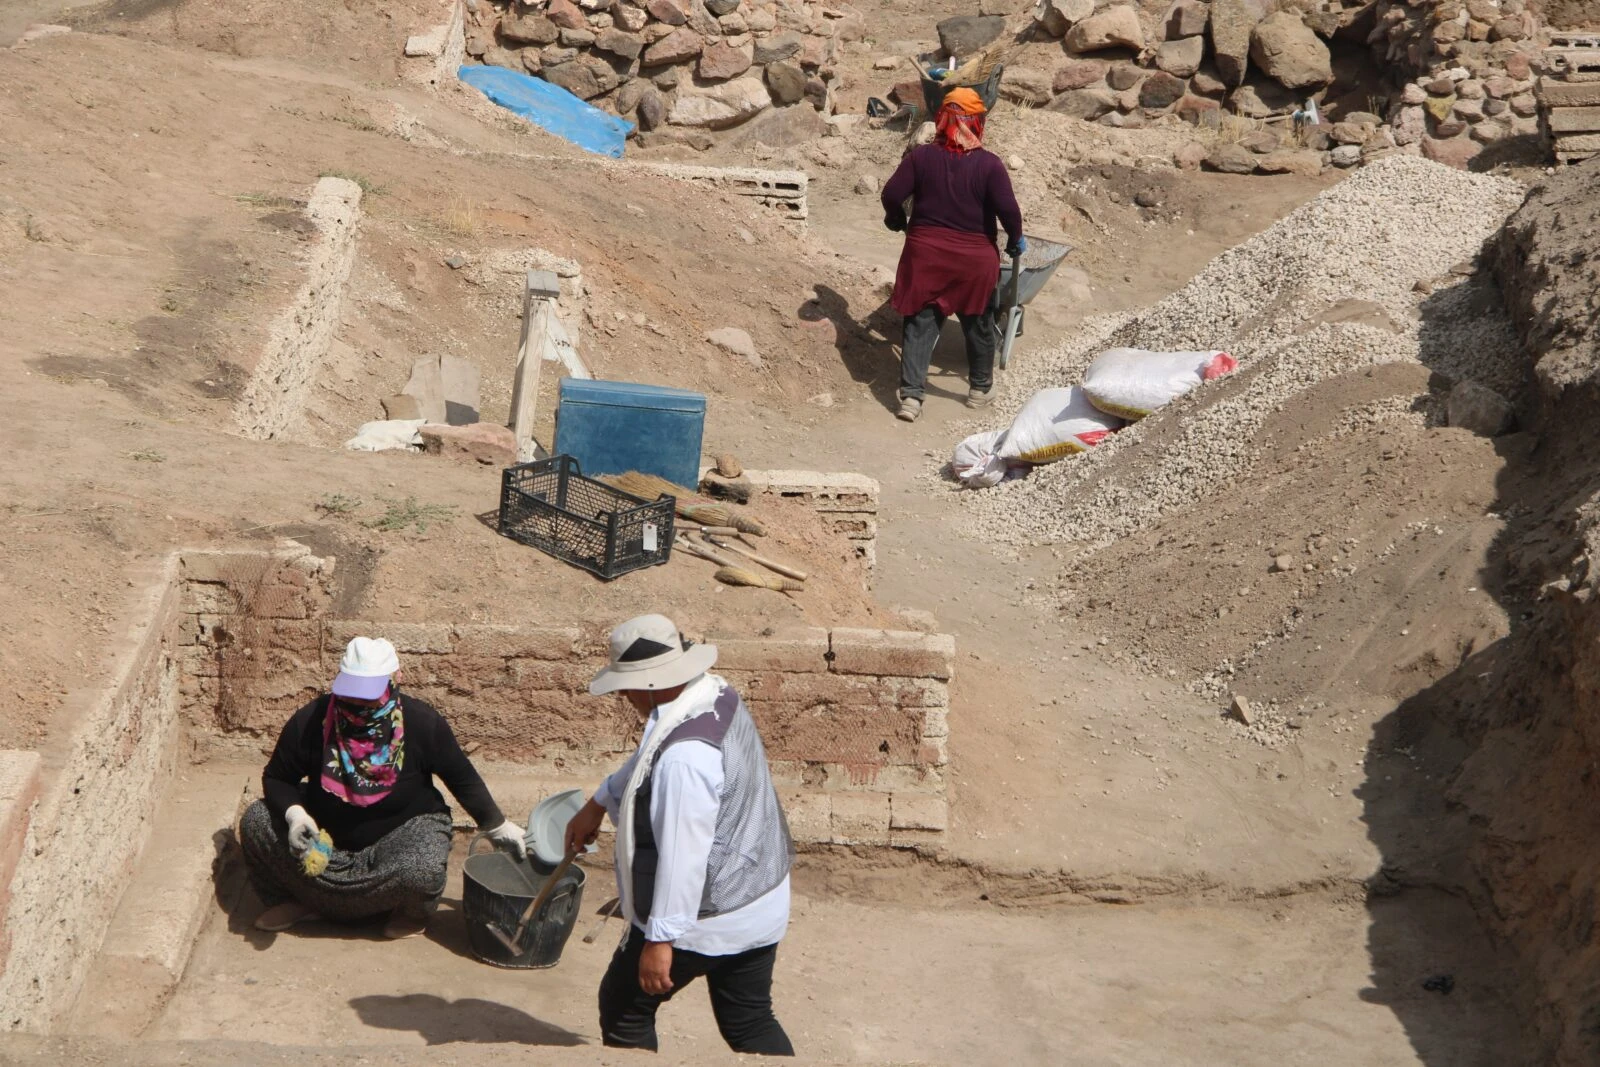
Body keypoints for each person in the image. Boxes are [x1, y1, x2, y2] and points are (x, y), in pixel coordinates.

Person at [563, 614, 795, 1056]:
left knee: (624, 1008)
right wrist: (599, 802)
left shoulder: (684, 761)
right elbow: (653, 750)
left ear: (649, 684)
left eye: (626, 686)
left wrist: (660, 939)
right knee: (750, 1021)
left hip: (708, 914)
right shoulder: (714, 693)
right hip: (760, 895)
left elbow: (682, 854)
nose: (624, 696)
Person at [239, 636, 527, 939]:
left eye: (368, 695)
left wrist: (496, 825)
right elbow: (277, 778)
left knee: (422, 868)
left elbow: (461, 777)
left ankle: (408, 913)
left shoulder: (422, 723)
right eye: (352, 694)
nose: (359, 704)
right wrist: (296, 816)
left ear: (396, 679)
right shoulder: (312, 721)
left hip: (394, 844)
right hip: (327, 847)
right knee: (257, 820)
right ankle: (299, 902)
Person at [880, 86, 1025, 423]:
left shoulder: (921, 158)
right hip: (974, 261)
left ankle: (912, 398)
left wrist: (897, 218)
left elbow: (892, 194)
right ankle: (978, 389)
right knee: (979, 322)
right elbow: (1009, 211)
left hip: (926, 254)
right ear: (977, 123)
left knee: (919, 322)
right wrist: (1015, 239)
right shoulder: (989, 166)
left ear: (941, 119)